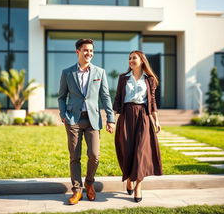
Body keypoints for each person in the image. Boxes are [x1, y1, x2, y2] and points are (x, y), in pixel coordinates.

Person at [58, 38, 115, 205]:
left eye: (91, 51)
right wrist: (63, 114)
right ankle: (77, 190)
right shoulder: (67, 72)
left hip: (93, 119)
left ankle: (89, 183)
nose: (89, 53)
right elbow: (61, 97)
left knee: (94, 155)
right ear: (78, 52)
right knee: (74, 156)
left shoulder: (100, 72)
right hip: (73, 119)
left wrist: (110, 119)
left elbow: (105, 97)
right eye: (85, 50)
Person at [113, 50, 163, 202]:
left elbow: (152, 101)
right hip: (126, 115)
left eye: (134, 58)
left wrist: (156, 120)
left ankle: (138, 186)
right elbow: (118, 98)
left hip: (143, 116)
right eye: (129, 58)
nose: (131, 60)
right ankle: (129, 179)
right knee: (127, 151)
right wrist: (111, 120)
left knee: (141, 152)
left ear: (142, 60)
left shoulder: (150, 79)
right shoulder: (123, 78)